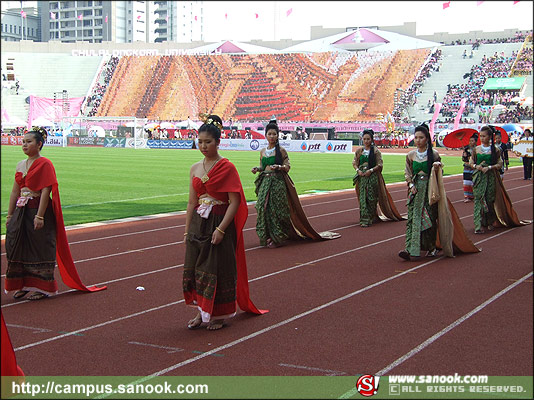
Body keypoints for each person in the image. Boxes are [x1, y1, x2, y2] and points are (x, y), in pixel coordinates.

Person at [183, 114, 267, 330]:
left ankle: (219, 315)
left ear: (218, 142)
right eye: (200, 141)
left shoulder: (227, 167)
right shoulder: (194, 168)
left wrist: (221, 229)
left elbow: (235, 201)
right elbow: (192, 202)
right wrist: (187, 231)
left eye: (208, 142)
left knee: (217, 268)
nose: (203, 146)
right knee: (196, 268)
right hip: (198, 223)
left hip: (219, 220)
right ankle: (202, 313)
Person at [4, 127, 106, 300]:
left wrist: (40, 216)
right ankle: (22, 283)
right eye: (23, 142)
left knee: (40, 246)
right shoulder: (20, 165)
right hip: (22, 211)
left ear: (39, 144)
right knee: (17, 244)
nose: (25, 145)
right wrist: (9, 214)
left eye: (29, 142)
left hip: (37, 208)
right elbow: (15, 192)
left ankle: (43, 287)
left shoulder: (45, 164)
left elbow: (46, 190)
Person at [251, 121, 340, 248]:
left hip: (277, 182)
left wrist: (279, 167)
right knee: (262, 208)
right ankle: (268, 235)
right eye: (269, 134)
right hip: (265, 182)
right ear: (265, 135)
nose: (272, 136)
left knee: (277, 210)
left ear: (277, 136)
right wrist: (257, 169)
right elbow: (262, 166)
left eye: (274, 134)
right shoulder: (263, 151)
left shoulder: (281, 151)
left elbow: (287, 166)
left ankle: (278, 237)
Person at [399, 124, 479, 261]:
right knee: (413, 218)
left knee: (429, 218)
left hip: (431, 190)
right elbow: (408, 172)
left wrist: (437, 167)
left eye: (421, 138)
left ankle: (431, 246)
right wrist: (411, 184)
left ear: (427, 139)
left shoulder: (434, 154)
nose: (418, 140)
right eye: (416, 137)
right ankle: (410, 248)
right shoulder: (411, 155)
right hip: (416, 189)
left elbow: (441, 172)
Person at [470, 125, 530, 234]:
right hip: (479, 177)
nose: (482, 138)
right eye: (481, 136)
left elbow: (499, 163)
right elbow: (471, 162)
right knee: (478, 200)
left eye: (484, 136)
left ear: (490, 137)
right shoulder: (476, 149)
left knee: (489, 200)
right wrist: (476, 167)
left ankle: (488, 222)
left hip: (491, 177)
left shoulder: (496, 150)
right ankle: (478, 225)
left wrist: (490, 167)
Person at [352, 129, 403, 227]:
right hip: (362, 177)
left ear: (371, 140)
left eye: (368, 139)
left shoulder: (376, 151)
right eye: (364, 139)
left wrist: (370, 171)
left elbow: (380, 164)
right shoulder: (359, 151)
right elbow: (354, 162)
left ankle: (371, 216)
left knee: (371, 198)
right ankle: (364, 219)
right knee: (363, 198)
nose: (366, 141)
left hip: (372, 177)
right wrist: (358, 170)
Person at [461, 133, 477, 202]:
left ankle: (474, 195)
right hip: (467, 167)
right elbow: (463, 159)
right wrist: (464, 155)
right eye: (470, 141)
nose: (470, 142)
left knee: (474, 182)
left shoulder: (477, 149)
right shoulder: (466, 148)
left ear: (475, 141)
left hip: (474, 167)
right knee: (466, 182)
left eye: (472, 141)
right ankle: (467, 196)